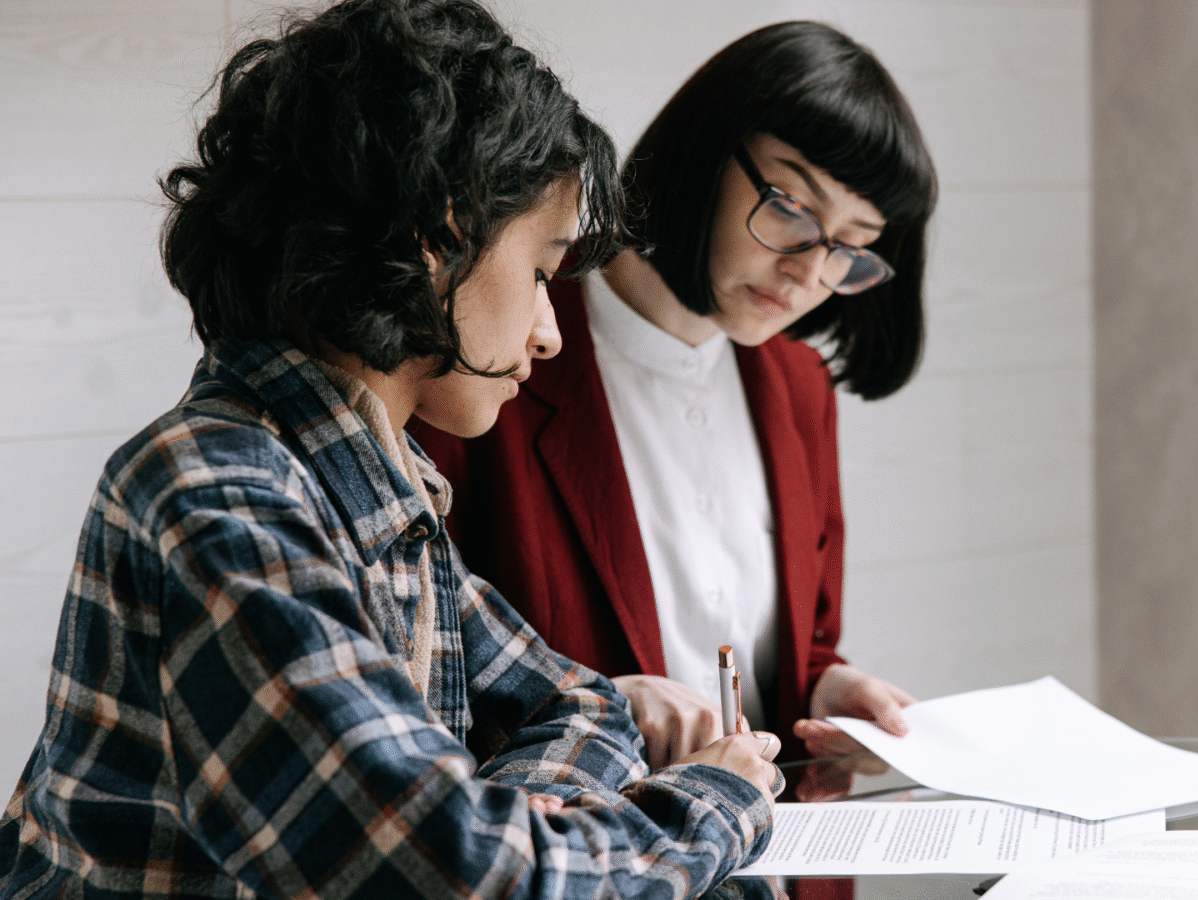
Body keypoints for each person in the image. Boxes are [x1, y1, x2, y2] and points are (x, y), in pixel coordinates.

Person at [0, 1, 781, 897]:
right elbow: (447, 877)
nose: (549, 331)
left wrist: (517, 820)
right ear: (438, 240)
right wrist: (717, 799)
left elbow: (583, 702)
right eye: (539, 272)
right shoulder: (218, 495)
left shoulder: (382, 489)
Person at [411, 21, 938, 770]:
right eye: (792, 207)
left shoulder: (799, 387)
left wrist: (826, 687)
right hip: (597, 861)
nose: (808, 274)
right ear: (703, 151)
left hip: (777, 855)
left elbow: (800, 644)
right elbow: (421, 668)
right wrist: (604, 704)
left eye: (851, 246)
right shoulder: (498, 349)